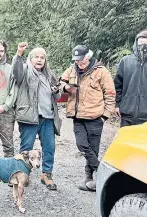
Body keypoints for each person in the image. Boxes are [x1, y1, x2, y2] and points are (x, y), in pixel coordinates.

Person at [60, 45, 115, 191]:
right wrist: (65, 88)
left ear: (88, 56)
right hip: (77, 116)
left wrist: (105, 116)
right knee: (82, 145)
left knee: (93, 148)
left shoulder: (101, 72)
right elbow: (59, 83)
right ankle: (101, 171)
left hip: (95, 117)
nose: (79, 63)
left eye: (81, 60)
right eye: (76, 60)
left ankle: (89, 178)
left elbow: (110, 93)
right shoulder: (72, 69)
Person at [12, 44, 62, 190]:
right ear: (30, 58)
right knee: (26, 149)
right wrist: (19, 54)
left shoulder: (49, 75)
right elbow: (16, 72)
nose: (39, 60)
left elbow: (57, 96)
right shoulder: (25, 71)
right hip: (29, 117)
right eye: (36, 57)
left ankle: (46, 175)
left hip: (48, 118)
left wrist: (56, 91)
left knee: (49, 148)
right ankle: (20, 176)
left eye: (42, 57)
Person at [114, 30, 147, 127]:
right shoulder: (126, 61)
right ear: (136, 43)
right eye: (140, 43)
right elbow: (117, 86)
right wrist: (117, 105)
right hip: (127, 115)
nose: (143, 46)